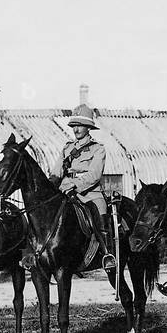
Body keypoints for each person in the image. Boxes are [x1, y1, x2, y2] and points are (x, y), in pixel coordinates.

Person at [47, 103, 116, 270]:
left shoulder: (97, 149)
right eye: (74, 125)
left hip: (90, 193)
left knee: (100, 216)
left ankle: (108, 255)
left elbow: (94, 175)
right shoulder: (67, 149)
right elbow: (56, 173)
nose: (76, 129)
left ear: (88, 128)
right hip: (65, 192)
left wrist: (73, 184)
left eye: (80, 125)